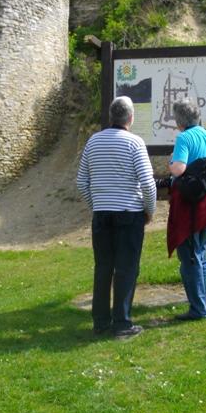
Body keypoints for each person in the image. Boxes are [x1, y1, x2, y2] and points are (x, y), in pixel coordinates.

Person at [77, 96, 156, 338]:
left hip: (102, 215)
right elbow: (148, 183)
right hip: (129, 214)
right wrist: (149, 211)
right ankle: (122, 323)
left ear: (111, 116)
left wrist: (97, 205)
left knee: (103, 268)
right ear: (131, 118)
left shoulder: (93, 141)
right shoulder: (135, 143)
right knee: (127, 268)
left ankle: (100, 322)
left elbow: (82, 182)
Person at [167, 97, 206, 321]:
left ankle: (198, 309)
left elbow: (179, 169)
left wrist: (170, 164)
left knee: (190, 257)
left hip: (191, 205)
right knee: (201, 253)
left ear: (179, 121)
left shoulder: (184, 138)